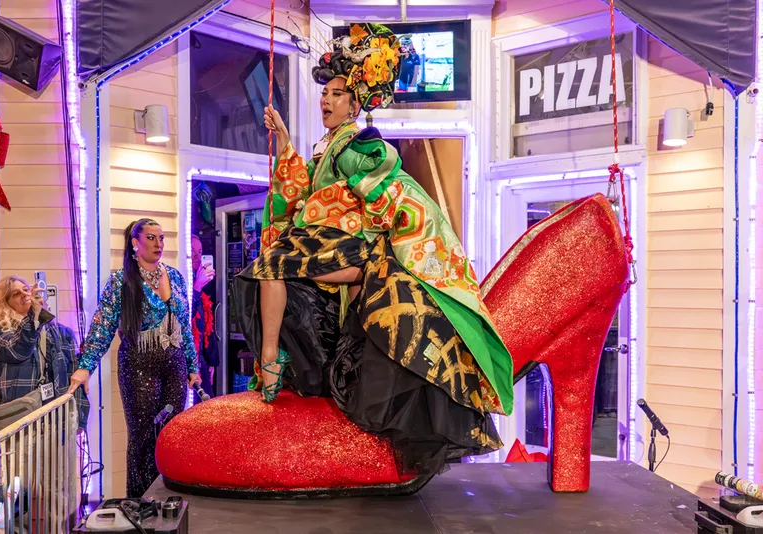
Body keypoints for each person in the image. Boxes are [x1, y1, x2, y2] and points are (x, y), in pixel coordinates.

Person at [233, 23, 513, 478]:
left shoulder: (355, 146)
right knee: (272, 270)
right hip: (330, 246)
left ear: (355, 103)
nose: (326, 100)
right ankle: (276, 360)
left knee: (273, 266)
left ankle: (270, 362)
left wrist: (391, 224)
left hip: (352, 248)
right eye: (325, 93)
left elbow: (387, 185)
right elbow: (300, 192)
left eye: (337, 94)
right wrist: (283, 139)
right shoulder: (329, 145)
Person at [68, 218, 199, 497]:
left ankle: (168, 500)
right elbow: (103, 326)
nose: (158, 243)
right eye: (151, 238)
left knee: (172, 434)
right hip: (139, 364)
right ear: (135, 243)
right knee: (142, 438)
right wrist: (85, 367)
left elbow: (185, 326)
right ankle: (141, 503)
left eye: (161, 238)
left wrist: (192, 366)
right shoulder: (121, 281)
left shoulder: (175, 277)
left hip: (175, 365)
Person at [0, 276, 89, 430]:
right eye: (16, 294)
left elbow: (74, 375)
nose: (24, 294)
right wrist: (34, 315)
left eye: (26, 290)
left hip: (56, 419)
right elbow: (18, 351)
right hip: (20, 422)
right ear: (5, 304)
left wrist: (80, 419)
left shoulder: (62, 332)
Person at [190, 235, 217, 400]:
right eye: (192, 251)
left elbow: (207, 325)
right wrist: (196, 288)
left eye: (200, 252)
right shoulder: (182, 280)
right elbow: (185, 319)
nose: (197, 256)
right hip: (188, 361)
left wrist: (211, 360)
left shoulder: (200, 279)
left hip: (201, 360)